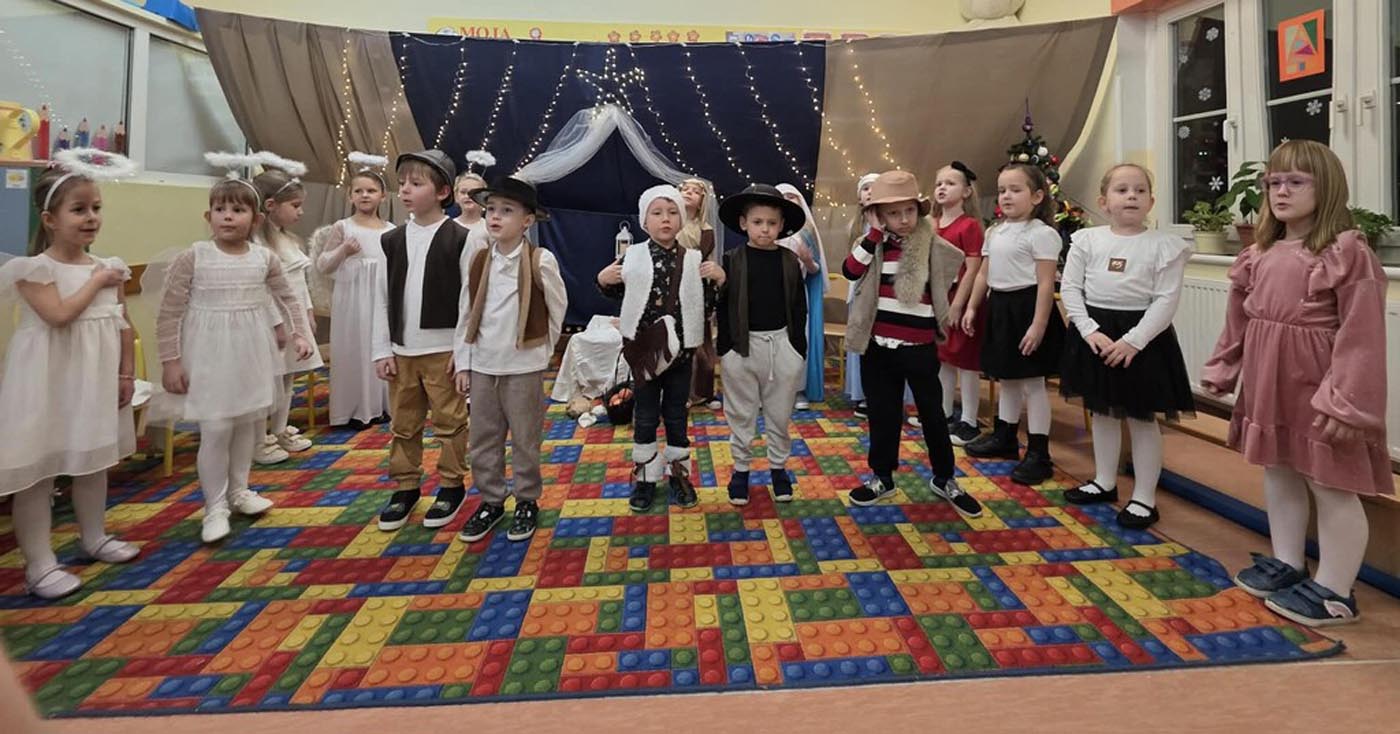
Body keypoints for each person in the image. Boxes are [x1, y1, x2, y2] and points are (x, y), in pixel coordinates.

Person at [1203, 140, 1390, 627]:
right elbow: (1239, 319)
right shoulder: (1259, 252)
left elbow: (1363, 334)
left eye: (1295, 182)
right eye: (1273, 183)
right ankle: (1288, 561)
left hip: (1319, 383)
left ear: (1325, 187)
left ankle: (1335, 590)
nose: (1280, 191)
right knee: (1279, 468)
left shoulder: (1346, 251)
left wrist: (1346, 401)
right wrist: (1224, 367)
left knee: (1330, 483)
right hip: (1270, 379)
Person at [151, 152, 314, 544]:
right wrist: (171, 361)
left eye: (238, 210)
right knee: (217, 428)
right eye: (220, 209)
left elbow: (288, 297)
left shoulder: (264, 257)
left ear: (255, 219)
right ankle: (214, 506)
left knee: (246, 424)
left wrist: (299, 333)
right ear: (208, 216)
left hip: (251, 351)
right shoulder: (194, 257)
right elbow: (169, 313)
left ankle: (240, 491)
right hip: (209, 355)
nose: (228, 216)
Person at [0, 149, 141, 598]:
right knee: (39, 471)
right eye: (79, 209)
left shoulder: (109, 267)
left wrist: (125, 374)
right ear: (50, 219)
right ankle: (39, 564)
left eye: (96, 208)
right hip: (46, 382)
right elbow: (58, 316)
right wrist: (97, 282)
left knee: (92, 460)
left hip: (92, 381)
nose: (91, 217)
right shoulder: (33, 269)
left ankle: (93, 536)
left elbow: (122, 325)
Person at [1059, 164, 1194, 529]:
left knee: (1141, 418)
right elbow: (1071, 288)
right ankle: (1104, 481)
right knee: (1102, 412)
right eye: (1121, 190)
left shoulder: (1165, 246)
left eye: (1139, 190)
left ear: (1151, 201)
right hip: (1097, 337)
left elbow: (1166, 300)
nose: (1131, 195)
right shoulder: (1087, 240)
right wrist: (1088, 330)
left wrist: (1134, 341)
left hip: (1143, 340)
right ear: (1104, 201)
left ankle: (1144, 497)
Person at [841, 171, 982, 520]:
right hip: (878, 347)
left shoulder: (931, 244)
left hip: (919, 347)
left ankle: (945, 477)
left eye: (909, 211)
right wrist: (873, 234)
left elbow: (958, 265)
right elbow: (850, 270)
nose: (903, 219)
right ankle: (882, 477)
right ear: (879, 215)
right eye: (893, 213)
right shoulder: (872, 245)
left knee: (934, 415)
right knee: (883, 414)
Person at [454, 176, 567, 543]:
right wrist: (464, 361)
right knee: (483, 438)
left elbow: (557, 308)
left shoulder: (539, 259)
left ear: (527, 221)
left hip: (523, 366)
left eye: (506, 211)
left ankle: (526, 499)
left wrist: (543, 351)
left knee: (525, 437)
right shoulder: (479, 259)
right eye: (490, 210)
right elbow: (466, 311)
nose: (495, 217)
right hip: (483, 363)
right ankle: (491, 499)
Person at [598, 185, 724, 512]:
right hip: (645, 354)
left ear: (682, 219)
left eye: (672, 213)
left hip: (681, 354)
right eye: (657, 213)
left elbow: (709, 303)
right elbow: (617, 293)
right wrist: (604, 280)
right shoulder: (632, 255)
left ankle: (679, 475)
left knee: (677, 416)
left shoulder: (693, 258)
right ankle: (645, 477)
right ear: (644, 220)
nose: (665, 219)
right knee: (644, 417)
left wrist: (719, 280)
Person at [371, 150, 472, 532]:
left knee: (450, 422)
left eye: (416, 184)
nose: (405, 191)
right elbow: (382, 298)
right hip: (401, 352)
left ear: (443, 192)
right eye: (402, 184)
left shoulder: (461, 238)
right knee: (404, 423)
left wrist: (462, 353)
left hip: (443, 351)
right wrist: (382, 348)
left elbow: (468, 302)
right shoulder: (391, 240)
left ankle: (451, 484)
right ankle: (406, 486)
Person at [961, 163, 1067, 485]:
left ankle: (1039, 452)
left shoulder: (1042, 234)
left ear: (1037, 196)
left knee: (1033, 384)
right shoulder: (995, 231)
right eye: (1002, 190)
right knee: (1007, 378)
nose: (1006, 196)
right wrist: (972, 306)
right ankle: (1005, 437)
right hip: (1001, 309)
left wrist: (1038, 326)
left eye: (1015, 190)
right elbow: (983, 273)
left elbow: (1046, 284)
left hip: (1028, 309)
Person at [716, 184, 808, 505]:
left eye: (771, 223)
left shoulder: (790, 260)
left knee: (779, 413)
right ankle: (741, 470)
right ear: (744, 223)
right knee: (740, 413)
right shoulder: (732, 260)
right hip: (741, 347)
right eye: (757, 222)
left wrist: (797, 349)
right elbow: (722, 306)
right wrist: (726, 349)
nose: (765, 229)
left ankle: (778, 468)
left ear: (782, 225)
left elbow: (798, 306)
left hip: (782, 345)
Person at [315, 152, 395, 429]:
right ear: (350, 196)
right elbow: (323, 264)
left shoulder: (391, 229)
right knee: (354, 348)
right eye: (358, 191)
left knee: (379, 345)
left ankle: (379, 405)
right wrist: (343, 251)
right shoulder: (343, 227)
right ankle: (353, 408)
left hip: (380, 295)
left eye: (371, 191)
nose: (364, 195)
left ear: (382, 196)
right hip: (352, 298)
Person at [252, 154, 322, 461]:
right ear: (270, 205)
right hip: (272, 320)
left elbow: (300, 283)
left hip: (294, 318)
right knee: (267, 380)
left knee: (287, 377)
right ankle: (259, 438)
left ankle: (280, 429)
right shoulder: (256, 244)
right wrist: (277, 324)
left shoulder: (289, 240)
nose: (300, 211)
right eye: (295, 205)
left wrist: (307, 313)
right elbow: (263, 289)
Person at [932, 162, 987, 446]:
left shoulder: (970, 226)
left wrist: (959, 305)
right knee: (943, 358)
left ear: (966, 191)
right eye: (939, 183)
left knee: (966, 362)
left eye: (950, 183)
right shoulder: (931, 224)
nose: (942, 187)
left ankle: (969, 420)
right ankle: (942, 412)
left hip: (961, 300)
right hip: (939, 299)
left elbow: (973, 268)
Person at [776, 183, 827, 409]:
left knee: (797, 342)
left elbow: (815, 270)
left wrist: (807, 259)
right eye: (783, 196)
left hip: (797, 294)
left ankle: (797, 390)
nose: (788, 200)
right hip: (771, 295)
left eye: (792, 196)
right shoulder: (769, 229)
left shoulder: (806, 232)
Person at [678, 177, 720, 408]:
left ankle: (702, 393)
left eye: (695, 191)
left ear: (702, 200)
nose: (688, 193)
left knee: (701, 343)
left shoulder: (705, 231)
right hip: (673, 287)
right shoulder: (671, 223)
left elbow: (703, 260)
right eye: (685, 189)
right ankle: (678, 391)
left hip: (696, 289)